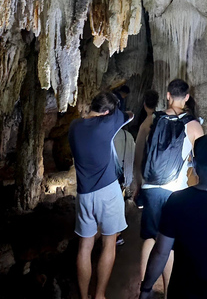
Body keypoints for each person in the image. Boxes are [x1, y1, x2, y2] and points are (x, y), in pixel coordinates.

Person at [139, 135, 207, 299]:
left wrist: (146, 288)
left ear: (194, 162)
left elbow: (161, 252)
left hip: (184, 291)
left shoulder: (178, 201)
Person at [133, 79, 204, 297]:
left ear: (167, 95)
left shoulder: (152, 119)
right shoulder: (192, 125)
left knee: (149, 237)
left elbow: (138, 153)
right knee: (170, 242)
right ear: (187, 97)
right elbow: (201, 160)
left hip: (151, 186)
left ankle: (144, 288)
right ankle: (168, 293)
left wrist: (138, 182)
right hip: (177, 190)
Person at [68, 92, 134, 299]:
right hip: (108, 192)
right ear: (106, 112)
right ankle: (99, 294)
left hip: (84, 195)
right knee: (109, 243)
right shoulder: (107, 124)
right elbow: (129, 115)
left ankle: (83, 294)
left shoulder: (74, 127)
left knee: (85, 246)